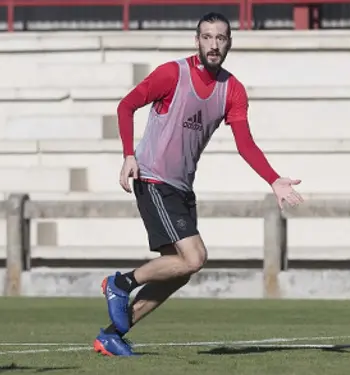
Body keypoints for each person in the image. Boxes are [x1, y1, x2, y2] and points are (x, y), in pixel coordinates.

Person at [93, 12, 304, 357]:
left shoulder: (232, 89)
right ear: (197, 41)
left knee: (178, 272)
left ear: (229, 43)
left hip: (181, 188)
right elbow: (126, 106)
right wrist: (128, 154)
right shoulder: (172, 74)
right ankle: (120, 283)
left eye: (221, 38)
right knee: (194, 258)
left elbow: (245, 143)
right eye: (207, 37)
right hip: (154, 178)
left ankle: (112, 334)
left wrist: (274, 179)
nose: (214, 44)